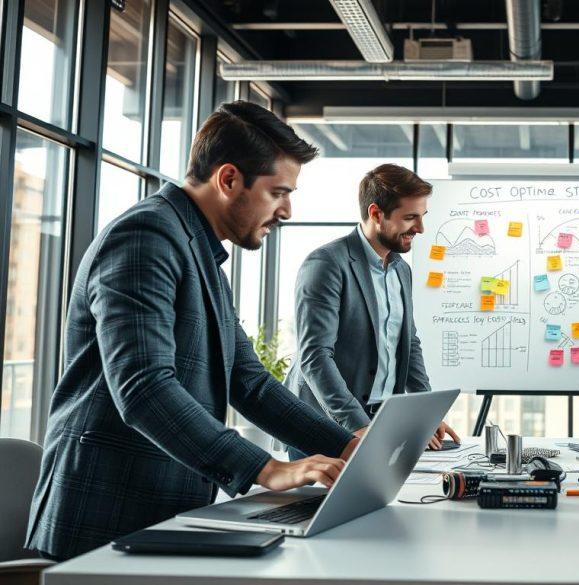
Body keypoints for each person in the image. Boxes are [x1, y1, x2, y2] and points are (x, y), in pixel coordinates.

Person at [25, 102, 360, 561]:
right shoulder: (146, 236)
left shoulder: (198, 250)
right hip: (106, 513)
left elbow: (251, 382)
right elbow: (144, 388)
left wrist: (348, 445)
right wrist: (266, 469)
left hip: (162, 508)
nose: (287, 211)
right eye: (278, 192)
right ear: (228, 179)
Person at [284, 163, 458, 457]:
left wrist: (425, 414)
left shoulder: (402, 270)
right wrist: (357, 425)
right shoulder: (327, 264)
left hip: (380, 418)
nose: (420, 228)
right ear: (376, 213)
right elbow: (315, 357)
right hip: (324, 423)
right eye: (410, 217)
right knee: (318, 504)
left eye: (422, 217)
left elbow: (409, 345)